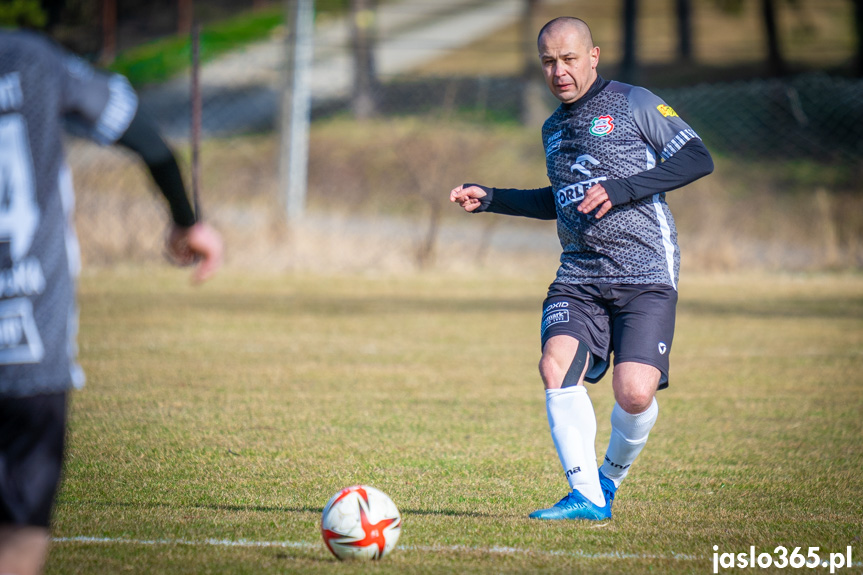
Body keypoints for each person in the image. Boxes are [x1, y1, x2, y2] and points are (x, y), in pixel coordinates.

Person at [450, 17, 713, 521]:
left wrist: (623, 187)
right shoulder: (553, 128)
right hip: (579, 278)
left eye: (569, 59)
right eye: (548, 61)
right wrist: (493, 199)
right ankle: (586, 497)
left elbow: (698, 158)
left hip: (645, 273)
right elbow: (564, 202)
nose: (559, 71)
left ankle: (608, 480)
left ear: (593, 56)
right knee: (554, 365)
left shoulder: (634, 102)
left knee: (634, 393)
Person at [0, 29, 223, 574]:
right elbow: (142, 135)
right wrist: (187, 221)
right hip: (31, 336)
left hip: (35, 351)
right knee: (21, 531)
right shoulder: (31, 60)